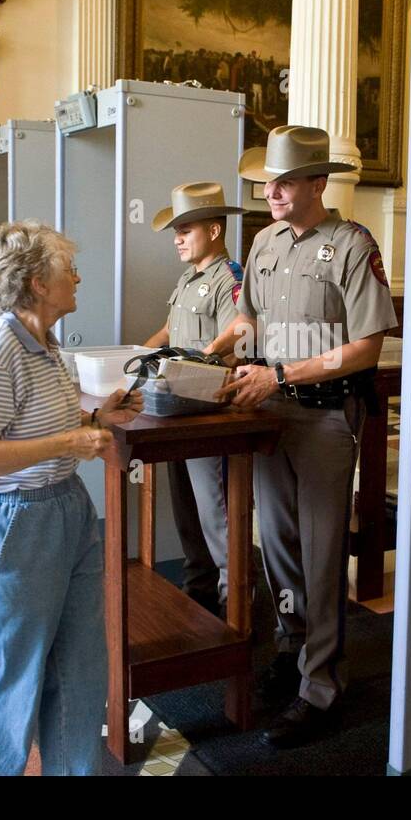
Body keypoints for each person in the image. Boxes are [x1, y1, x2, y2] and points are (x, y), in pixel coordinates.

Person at [208, 125, 398, 748]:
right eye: (268, 183)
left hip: (323, 416)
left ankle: (322, 688)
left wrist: (283, 371)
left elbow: (367, 348)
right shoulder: (262, 242)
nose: (273, 193)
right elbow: (249, 317)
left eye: (285, 182)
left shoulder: (351, 244)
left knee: (320, 556)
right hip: (270, 414)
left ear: (319, 183)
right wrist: (221, 352)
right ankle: (293, 652)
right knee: (279, 547)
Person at [0, 220, 141, 776]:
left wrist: (98, 417)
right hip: (15, 523)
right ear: (36, 282)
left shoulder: (47, 341)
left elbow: (32, 424)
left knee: (79, 670)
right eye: (67, 269)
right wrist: (69, 441)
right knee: (11, 679)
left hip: (66, 508)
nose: (78, 277)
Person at [143, 182, 246, 615]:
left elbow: (240, 330)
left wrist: (202, 356)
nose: (178, 238)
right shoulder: (188, 278)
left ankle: (234, 597)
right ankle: (200, 586)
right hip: (176, 404)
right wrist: (139, 357)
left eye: (186, 229)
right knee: (185, 505)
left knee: (215, 509)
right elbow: (169, 330)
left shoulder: (229, 278)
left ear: (215, 230)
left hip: (207, 406)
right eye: (175, 231)